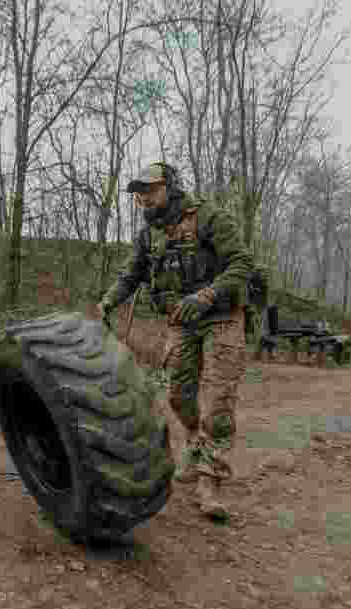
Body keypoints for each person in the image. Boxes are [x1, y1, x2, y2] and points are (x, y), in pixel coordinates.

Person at [99, 162, 253, 521]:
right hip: (181, 322)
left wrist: (206, 296)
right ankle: (196, 441)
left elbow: (242, 263)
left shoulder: (208, 217)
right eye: (138, 193)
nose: (143, 198)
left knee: (218, 401)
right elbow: (131, 275)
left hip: (222, 316)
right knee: (178, 395)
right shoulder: (149, 236)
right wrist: (108, 300)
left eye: (150, 190)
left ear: (169, 187)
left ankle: (210, 480)